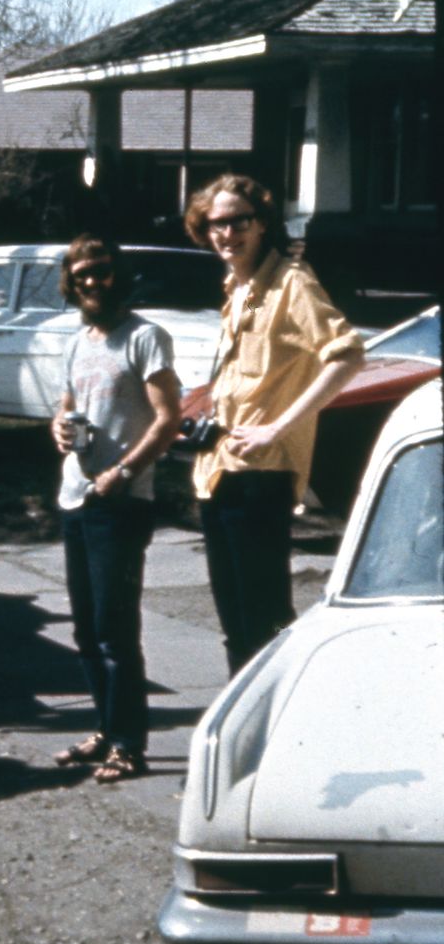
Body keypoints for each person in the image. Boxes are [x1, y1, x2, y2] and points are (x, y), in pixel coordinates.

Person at [184, 174, 364, 674]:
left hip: (262, 473)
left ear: (262, 223)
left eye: (239, 220)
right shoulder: (239, 288)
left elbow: (347, 355)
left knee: (264, 621)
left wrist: (278, 427)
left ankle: (270, 738)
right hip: (219, 470)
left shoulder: (291, 283)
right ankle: (242, 736)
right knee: (235, 622)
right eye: (216, 223)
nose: (227, 233)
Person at [50, 235, 182, 783]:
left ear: (117, 274)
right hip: (75, 498)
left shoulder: (145, 337)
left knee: (114, 631)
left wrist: (124, 472)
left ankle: (129, 743)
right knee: (84, 629)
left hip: (121, 502)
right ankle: (106, 728)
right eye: (80, 274)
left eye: (100, 272)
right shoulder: (78, 342)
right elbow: (67, 408)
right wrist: (56, 427)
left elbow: (169, 417)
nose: (90, 282)